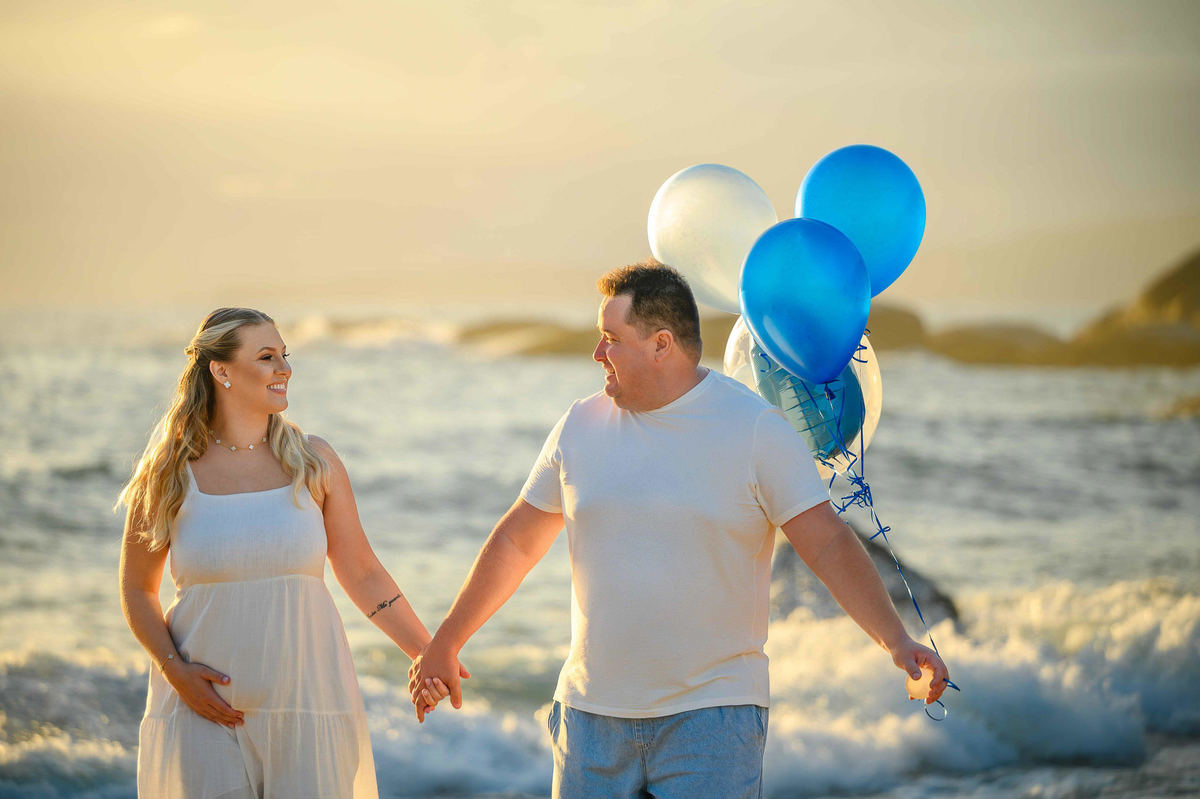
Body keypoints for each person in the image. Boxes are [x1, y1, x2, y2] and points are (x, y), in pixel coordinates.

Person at [409, 262, 949, 798]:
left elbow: (828, 543)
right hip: (590, 720)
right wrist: (447, 640)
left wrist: (896, 640)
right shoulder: (579, 425)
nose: (598, 353)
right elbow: (515, 541)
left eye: (611, 339)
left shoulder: (756, 430)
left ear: (661, 344)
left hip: (711, 723)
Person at [118, 307, 455, 799]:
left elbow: (361, 572)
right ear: (221, 370)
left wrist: (427, 653)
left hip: (307, 700)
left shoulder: (313, 461)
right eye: (266, 356)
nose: (284, 369)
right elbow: (136, 587)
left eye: (284, 355)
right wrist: (176, 671)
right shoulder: (169, 470)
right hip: (203, 705)